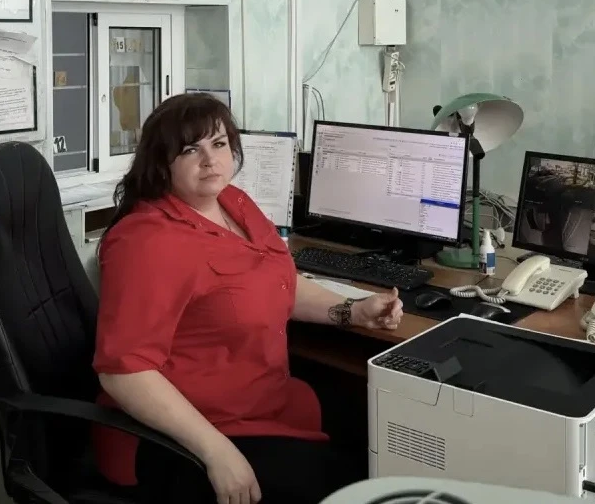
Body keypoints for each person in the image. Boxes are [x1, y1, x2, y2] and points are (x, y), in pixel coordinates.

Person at [92, 93, 404, 504]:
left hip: (261, 404)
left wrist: (353, 311)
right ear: (161, 163)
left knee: (384, 446)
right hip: (187, 434)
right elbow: (124, 372)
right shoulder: (146, 242)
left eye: (219, 144)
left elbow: (277, 283)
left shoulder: (232, 203)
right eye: (190, 150)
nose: (210, 160)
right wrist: (217, 453)